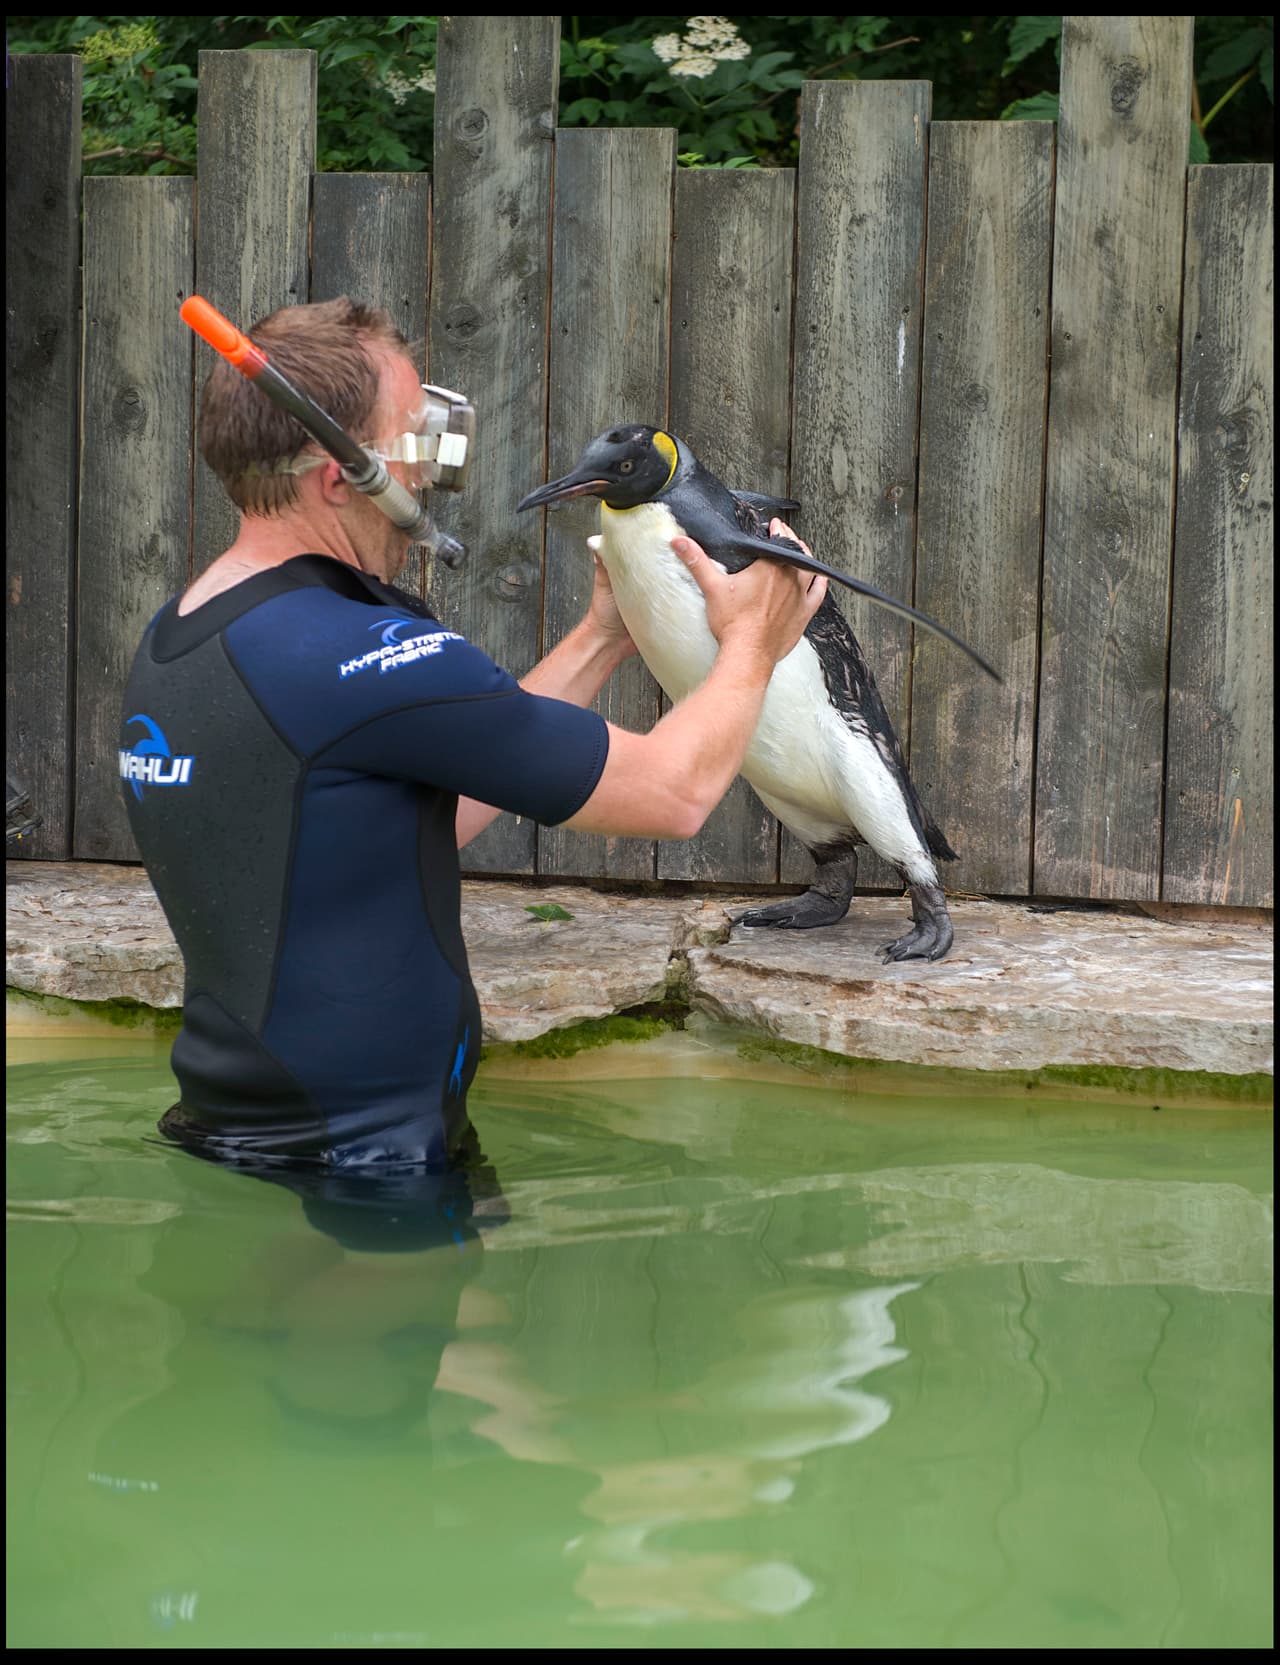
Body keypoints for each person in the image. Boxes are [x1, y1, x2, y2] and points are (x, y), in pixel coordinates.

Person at [119, 297, 825, 1200]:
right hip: (368, 1163)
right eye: (416, 435)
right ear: (344, 476)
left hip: (244, 1129)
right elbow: (673, 793)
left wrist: (604, 633)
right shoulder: (357, 652)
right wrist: (752, 645)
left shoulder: (191, 636)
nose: (432, 464)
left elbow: (399, 830)